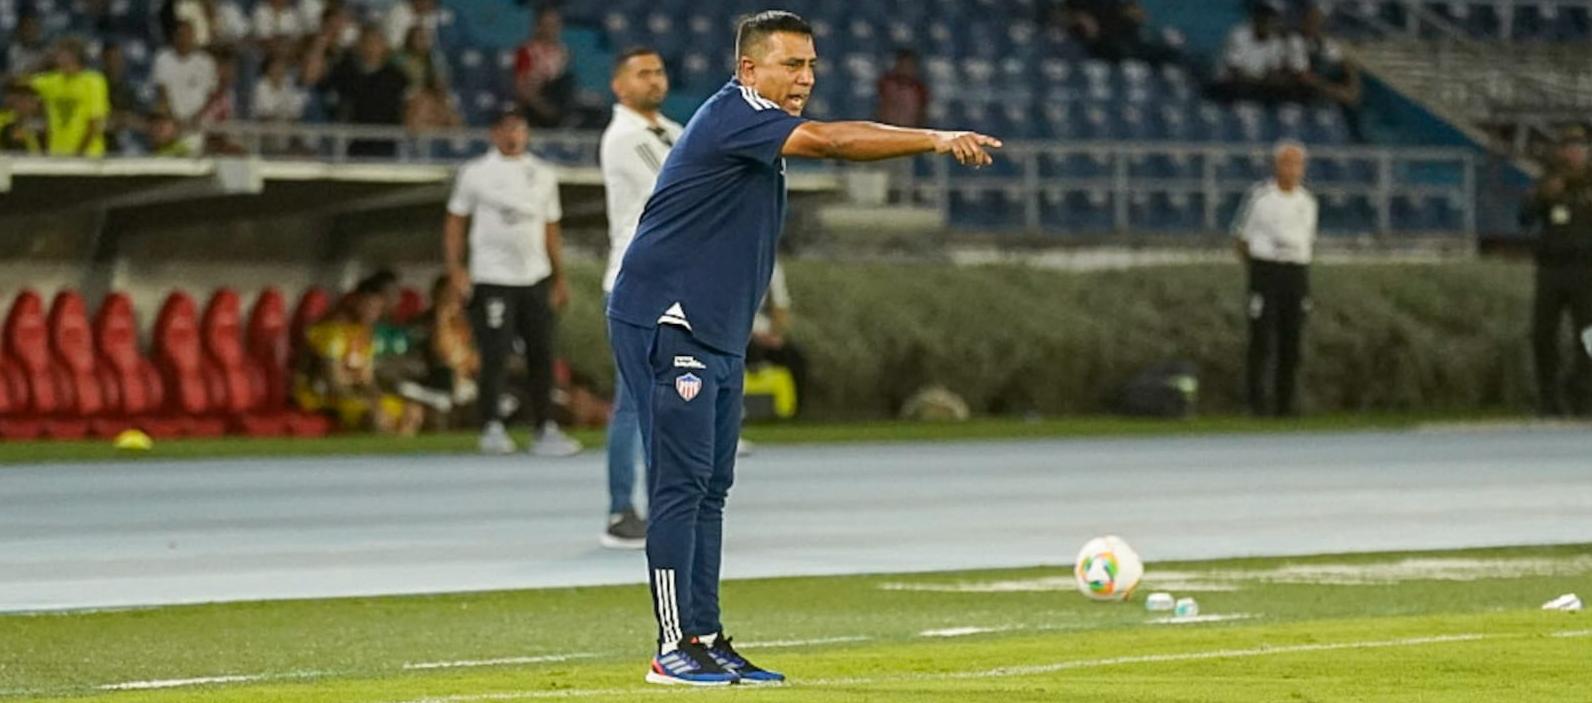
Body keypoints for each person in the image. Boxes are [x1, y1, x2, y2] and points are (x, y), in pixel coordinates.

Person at [607, 10, 998, 686]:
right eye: (793, 64)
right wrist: (934, 138)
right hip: (666, 319)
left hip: (716, 329)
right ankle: (671, 648)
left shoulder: (755, 125)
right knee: (680, 486)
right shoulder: (735, 114)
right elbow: (835, 142)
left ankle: (704, 635)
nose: (806, 77)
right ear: (749, 69)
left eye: (811, 65)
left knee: (712, 488)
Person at [444, 107, 582, 457]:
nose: (513, 135)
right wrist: (457, 269)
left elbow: (551, 227)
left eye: (519, 129)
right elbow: (455, 223)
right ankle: (491, 425)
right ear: (493, 133)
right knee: (496, 353)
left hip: (533, 277)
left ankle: (545, 427)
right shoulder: (475, 173)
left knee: (542, 353)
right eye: (506, 129)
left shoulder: (542, 174)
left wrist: (559, 275)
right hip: (492, 277)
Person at [597, 46, 681, 550]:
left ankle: (663, 505)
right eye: (642, 73)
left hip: (674, 281)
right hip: (637, 280)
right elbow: (680, 190)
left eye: (659, 69)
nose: (654, 79)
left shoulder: (670, 131)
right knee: (634, 402)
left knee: (667, 400)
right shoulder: (625, 138)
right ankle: (620, 509)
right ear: (618, 85)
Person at [1233, 141, 1317, 417]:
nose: (1292, 170)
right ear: (1276, 165)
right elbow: (1241, 237)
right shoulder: (1261, 198)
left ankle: (1286, 403)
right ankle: (1256, 403)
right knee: (1261, 339)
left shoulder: (1307, 202)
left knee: (1291, 339)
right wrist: (1258, 267)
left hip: (1296, 271)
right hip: (1266, 270)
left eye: (1297, 164)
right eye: (1287, 163)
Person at [1520, 127, 1592, 417]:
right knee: (1543, 335)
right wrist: (1541, 197)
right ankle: (1549, 399)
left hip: (1586, 270)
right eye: (1569, 146)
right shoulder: (1549, 182)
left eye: (1580, 146)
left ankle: (1585, 397)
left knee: (1588, 337)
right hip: (1552, 270)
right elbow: (1524, 218)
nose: (1574, 152)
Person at [294, 280, 424, 434]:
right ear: (355, 303)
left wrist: (376, 398)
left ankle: (398, 454)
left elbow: (366, 380)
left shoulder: (364, 335)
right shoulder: (333, 332)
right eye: (368, 307)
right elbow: (333, 382)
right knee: (376, 417)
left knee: (412, 411)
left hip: (352, 394)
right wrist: (370, 402)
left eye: (376, 309)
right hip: (321, 397)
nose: (372, 313)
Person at [323, 26, 410, 157]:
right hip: (353, 144)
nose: (372, 47)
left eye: (376, 42)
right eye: (368, 41)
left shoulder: (396, 77)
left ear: (384, 46)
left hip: (388, 144)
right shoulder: (345, 74)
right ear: (360, 45)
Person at [1289, 3, 1362, 140]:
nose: (1314, 23)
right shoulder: (1296, 41)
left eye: (1318, 19)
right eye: (1311, 19)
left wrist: (1351, 87)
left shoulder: (1328, 44)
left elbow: (1348, 67)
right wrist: (1339, 92)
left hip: (1329, 95)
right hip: (1306, 98)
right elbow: (1304, 78)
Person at [29, 37, 110, 157]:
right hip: (56, 153)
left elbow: (94, 123)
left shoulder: (93, 81)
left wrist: (78, 155)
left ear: (75, 57)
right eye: (58, 56)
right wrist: (42, 62)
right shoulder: (51, 81)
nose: (58, 59)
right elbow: (19, 83)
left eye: (62, 55)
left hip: (88, 157)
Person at [746, 261, 808, 414]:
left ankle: (792, 412)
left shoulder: (772, 266)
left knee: (795, 358)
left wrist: (775, 335)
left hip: (764, 333)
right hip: (740, 334)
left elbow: (780, 308)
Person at [1213, 2, 1303, 104]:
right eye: (1263, 19)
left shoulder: (1275, 41)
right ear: (1256, 20)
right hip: (1231, 84)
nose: (1267, 24)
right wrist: (1261, 80)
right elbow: (1234, 71)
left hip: (1257, 85)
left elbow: (1273, 72)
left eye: (1271, 21)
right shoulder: (1239, 35)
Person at [512, 7, 574, 128]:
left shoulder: (563, 52)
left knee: (567, 81)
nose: (552, 29)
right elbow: (520, 86)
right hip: (533, 101)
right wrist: (542, 107)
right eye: (548, 25)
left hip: (555, 99)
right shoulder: (527, 51)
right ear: (538, 27)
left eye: (555, 25)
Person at [151, 21, 218, 127]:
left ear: (193, 37)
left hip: (200, 120)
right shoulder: (163, 58)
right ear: (174, 37)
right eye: (180, 35)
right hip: (171, 121)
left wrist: (197, 117)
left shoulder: (206, 61)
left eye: (188, 35)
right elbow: (162, 92)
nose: (184, 39)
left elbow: (212, 95)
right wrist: (173, 118)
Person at [874, 49, 927, 128]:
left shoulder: (919, 89)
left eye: (909, 65)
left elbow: (922, 115)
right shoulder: (886, 84)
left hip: (909, 132)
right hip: (885, 130)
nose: (906, 68)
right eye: (903, 64)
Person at [0, 80, 44, 153]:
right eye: (20, 99)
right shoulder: (3, 120)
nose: (24, 103)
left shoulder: (43, 125)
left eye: (28, 99)